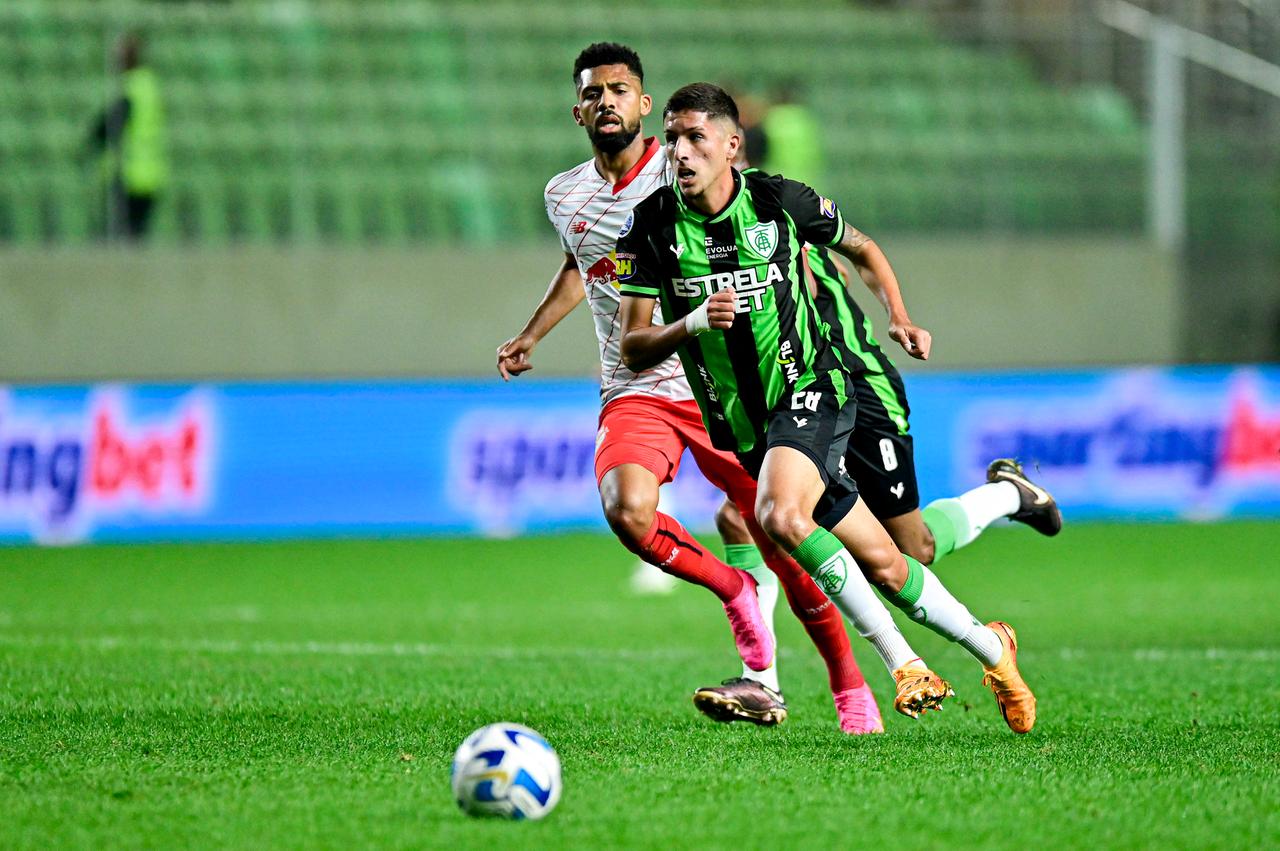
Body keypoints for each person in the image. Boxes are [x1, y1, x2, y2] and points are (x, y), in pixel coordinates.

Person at [617, 83, 1037, 732]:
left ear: (733, 145)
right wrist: (693, 321)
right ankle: (993, 648)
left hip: (820, 383)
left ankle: (898, 663)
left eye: (695, 137)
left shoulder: (779, 201)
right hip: (750, 423)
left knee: (773, 513)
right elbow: (633, 346)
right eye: (671, 137)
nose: (680, 150)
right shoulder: (649, 225)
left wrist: (899, 316)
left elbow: (862, 247)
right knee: (897, 560)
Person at [496, 43, 882, 734]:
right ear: (576, 108)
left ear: (645, 104)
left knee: (790, 545)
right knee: (627, 509)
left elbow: (765, 223)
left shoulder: (686, 166)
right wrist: (532, 333)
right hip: (635, 382)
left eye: (620, 90)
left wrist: (815, 269)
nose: (606, 101)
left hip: (722, 388)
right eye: (593, 92)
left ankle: (850, 686)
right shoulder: (564, 193)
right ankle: (732, 587)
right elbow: (582, 264)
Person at [86, 32, 168, 241]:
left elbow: (110, 125)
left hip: (128, 172)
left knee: (119, 235)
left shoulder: (131, 88)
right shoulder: (150, 84)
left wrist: (94, 138)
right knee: (137, 235)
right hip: (151, 172)